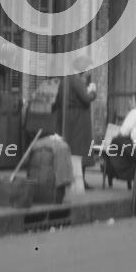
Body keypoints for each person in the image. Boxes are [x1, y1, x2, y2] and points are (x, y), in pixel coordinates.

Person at [55, 55, 97, 189]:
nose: (88, 72)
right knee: (81, 148)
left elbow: (57, 100)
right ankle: (80, 180)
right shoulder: (76, 80)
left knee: (71, 147)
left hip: (67, 117)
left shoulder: (65, 80)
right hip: (79, 118)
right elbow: (85, 98)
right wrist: (93, 92)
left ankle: (69, 178)